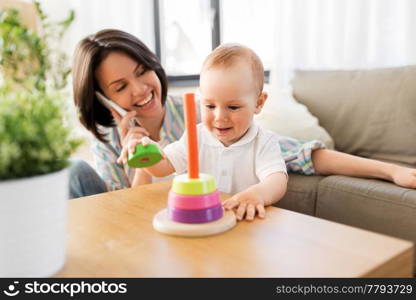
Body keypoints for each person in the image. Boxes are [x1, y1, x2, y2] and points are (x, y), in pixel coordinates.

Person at [70, 29, 416, 203]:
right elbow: (125, 216)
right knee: (76, 172)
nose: (140, 89)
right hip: (150, 231)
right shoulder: (108, 143)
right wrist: (141, 157)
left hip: (211, 221)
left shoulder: (194, 114)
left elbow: (300, 153)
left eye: (142, 70)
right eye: (120, 86)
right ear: (102, 99)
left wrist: (391, 170)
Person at [135, 44, 288, 221]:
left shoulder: (264, 142)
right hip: (202, 222)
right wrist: (148, 153)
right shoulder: (196, 136)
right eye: (210, 106)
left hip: (245, 222)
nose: (219, 117)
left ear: (259, 103)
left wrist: (257, 195)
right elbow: (163, 167)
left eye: (233, 107)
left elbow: (277, 181)